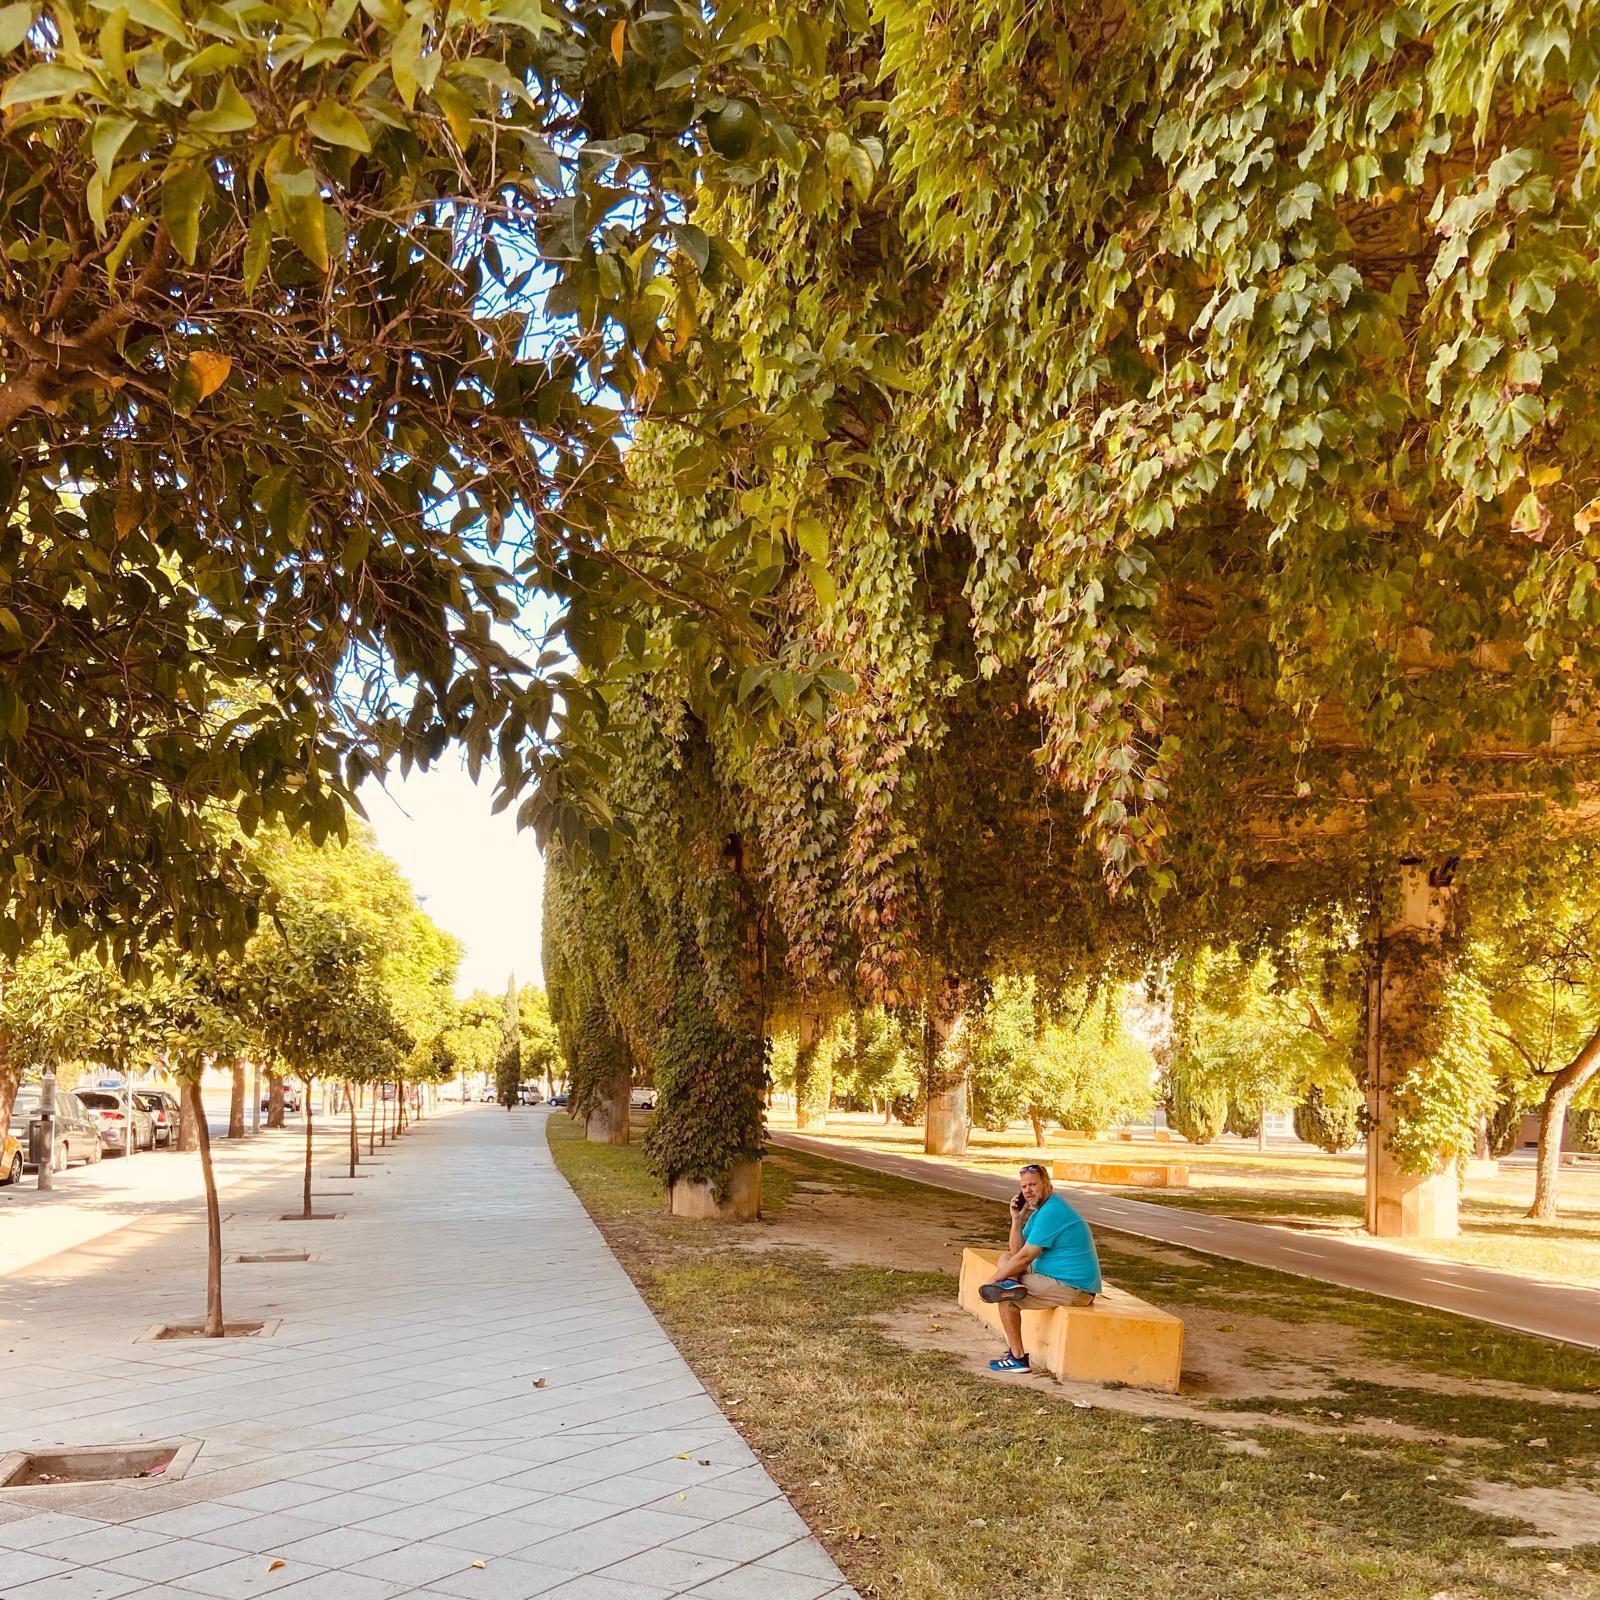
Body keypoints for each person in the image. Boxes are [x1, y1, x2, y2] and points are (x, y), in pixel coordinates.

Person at [980, 1162, 1103, 1372]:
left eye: (1033, 1185)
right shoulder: (1042, 1211)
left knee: (1006, 1297)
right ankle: (1011, 1283)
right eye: (1024, 1186)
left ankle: (1018, 1358)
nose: (1027, 1191)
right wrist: (1016, 1220)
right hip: (1053, 1276)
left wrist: (994, 1280)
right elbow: (1017, 1253)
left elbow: (1026, 1257)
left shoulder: (1053, 1211)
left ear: (1047, 1184)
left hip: (1074, 1288)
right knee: (1006, 1258)